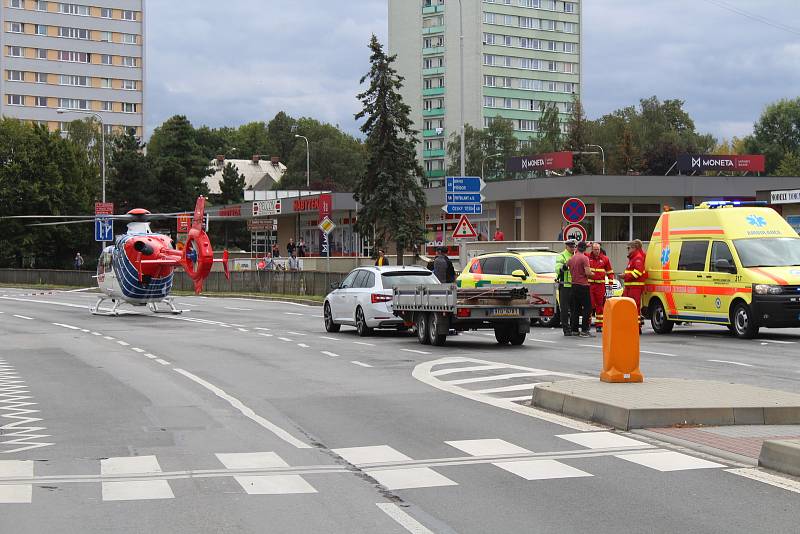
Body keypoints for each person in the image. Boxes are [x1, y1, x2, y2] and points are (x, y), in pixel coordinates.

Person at [567, 241, 593, 337]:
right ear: (585, 249)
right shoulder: (584, 258)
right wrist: (594, 274)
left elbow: (565, 266)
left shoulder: (572, 258)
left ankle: (574, 330)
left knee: (576, 309)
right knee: (587, 308)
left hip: (574, 285)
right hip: (583, 286)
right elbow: (588, 272)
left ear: (577, 248)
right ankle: (584, 330)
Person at [588, 242, 615, 333]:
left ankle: (599, 325)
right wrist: (586, 245)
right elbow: (577, 251)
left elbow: (610, 272)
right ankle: (587, 323)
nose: (596, 251)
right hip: (590, 285)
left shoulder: (605, 259)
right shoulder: (587, 257)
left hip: (600, 285)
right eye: (595, 249)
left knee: (600, 305)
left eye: (598, 249)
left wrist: (610, 284)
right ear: (592, 249)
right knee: (590, 305)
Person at [623, 239, 647, 326]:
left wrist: (625, 276)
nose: (627, 250)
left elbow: (637, 272)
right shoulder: (633, 257)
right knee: (629, 306)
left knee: (634, 307)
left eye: (628, 248)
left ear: (634, 248)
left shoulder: (638, 258)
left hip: (635, 287)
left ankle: (636, 326)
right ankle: (632, 324)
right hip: (631, 287)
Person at [555, 240, 576, 336]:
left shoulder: (576, 255)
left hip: (575, 285)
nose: (573, 248)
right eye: (571, 246)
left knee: (575, 309)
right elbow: (558, 270)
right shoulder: (562, 256)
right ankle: (566, 329)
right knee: (564, 309)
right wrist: (566, 265)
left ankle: (573, 328)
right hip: (565, 286)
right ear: (566, 246)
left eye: (574, 246)